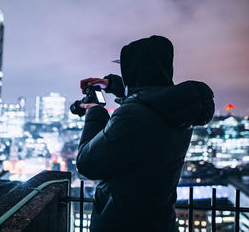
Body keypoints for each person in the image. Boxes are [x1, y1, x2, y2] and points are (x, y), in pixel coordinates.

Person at [76, 35, 215, 232]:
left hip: (122, 222)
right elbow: (150, 98)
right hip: (159, 220)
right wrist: (111, 84)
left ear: (133, 71)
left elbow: (87, 164)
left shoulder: (133, 114)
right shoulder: (178, 110)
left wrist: (94, 112)